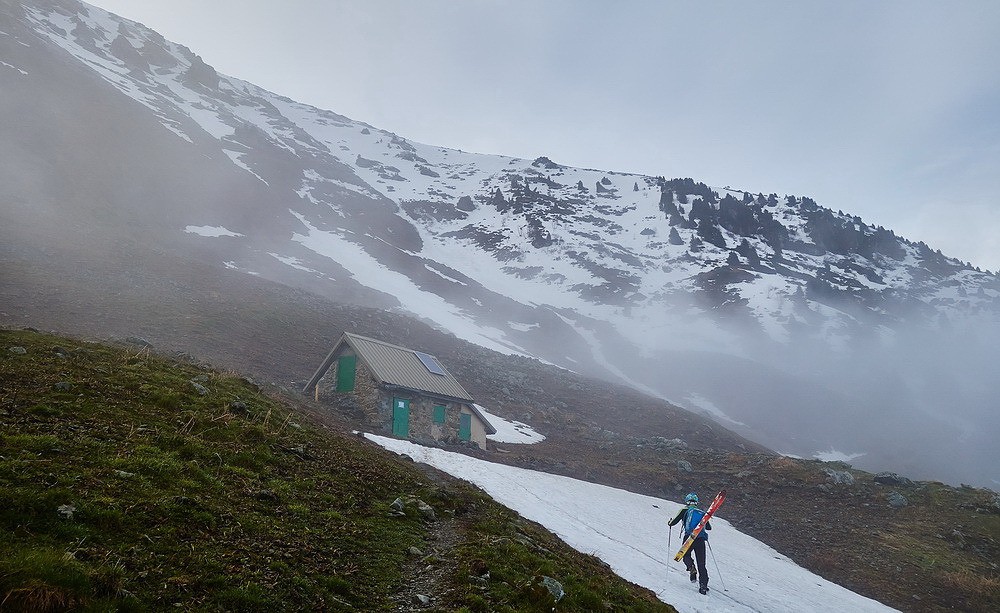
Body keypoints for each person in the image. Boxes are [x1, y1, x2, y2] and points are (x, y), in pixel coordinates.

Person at [668, 492, 711, 594]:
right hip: (700, 539)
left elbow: (673, 522)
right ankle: (703, 586)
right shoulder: (701, 512)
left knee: (686, 554)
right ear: (696, 502)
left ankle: (691, 567)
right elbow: (708, 527)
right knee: (702, 563)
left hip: (689, 537)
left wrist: (669, 522)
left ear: (687, 501)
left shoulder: (684, 510)